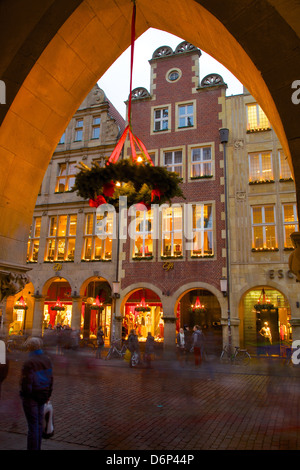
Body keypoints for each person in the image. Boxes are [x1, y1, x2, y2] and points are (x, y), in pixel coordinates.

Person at [20, 337, 53, 450]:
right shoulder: (47, 359)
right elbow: (50, 379)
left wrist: (25, 395)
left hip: (32, 397)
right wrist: (48, 394)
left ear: (29, 347)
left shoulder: (30, 362)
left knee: (33, 426)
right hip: (43, 395)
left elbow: (27, 382)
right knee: (39, 424)